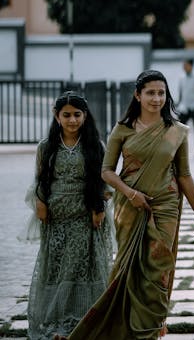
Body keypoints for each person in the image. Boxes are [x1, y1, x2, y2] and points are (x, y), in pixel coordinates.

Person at [64, 70, 194, 340]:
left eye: (161, 93)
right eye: (151, 93)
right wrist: (130, 194)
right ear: (138, 95)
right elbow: (107, 171)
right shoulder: (123, 129)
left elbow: (185, 175)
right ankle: (122, 328)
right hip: (129, 207)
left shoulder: (176, 131)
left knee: (158, 267)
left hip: (165, 206)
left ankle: (150, 331)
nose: (156, 98)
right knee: (128, 268)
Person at [26, 92, 113, 340]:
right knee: (57, 269)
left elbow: (101, 181)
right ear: (57, 116)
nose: (72, 120)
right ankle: (56, 323)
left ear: (85, 116)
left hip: (85, 218)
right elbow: (40, 178)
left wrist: (99, 209)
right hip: (56, 220)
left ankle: (83, 323)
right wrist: (40, 203)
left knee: (82, 269)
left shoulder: (95, 146)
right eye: (66, 115)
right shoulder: (46, 146)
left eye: (77, 115)